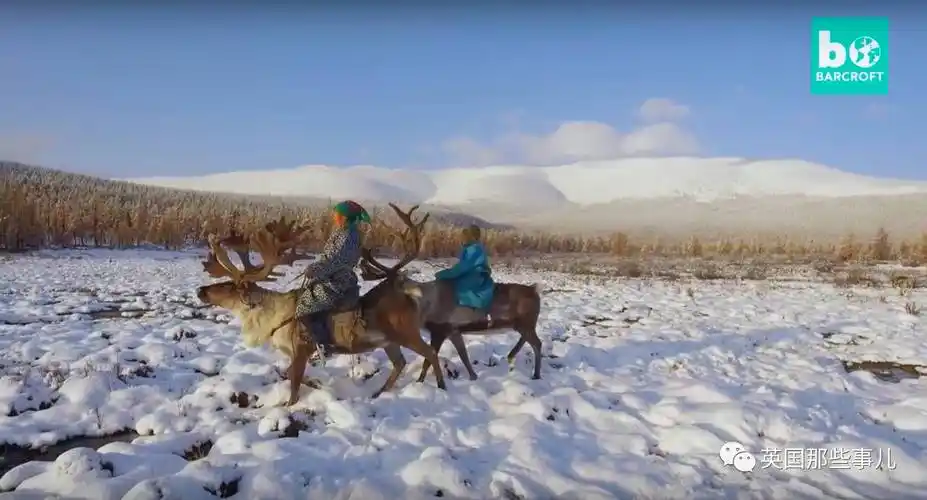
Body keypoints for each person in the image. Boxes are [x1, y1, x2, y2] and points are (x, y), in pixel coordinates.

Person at [296, 200, 371, 363]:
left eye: (337, 215)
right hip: (331, 277)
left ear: (345, 217)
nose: (335, 217)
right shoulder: (344, 232)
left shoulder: (348, 236)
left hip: (337, 282)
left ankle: (324, 346)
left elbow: (335, 260)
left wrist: (315, 269)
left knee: (305, 306)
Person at [435, 224, 495, 323]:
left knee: (461, 288)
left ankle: (471, 312)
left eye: (465, 235)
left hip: (474, 276)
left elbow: (463, 267)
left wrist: (444, 274)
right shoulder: (470, 248)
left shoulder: (474, 249)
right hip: (470, 274)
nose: (463, 238)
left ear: (472, 236)